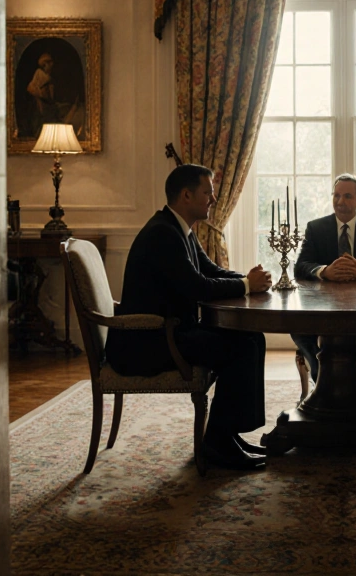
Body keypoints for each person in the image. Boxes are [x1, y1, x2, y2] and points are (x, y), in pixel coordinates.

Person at [106, 164, 275, 470]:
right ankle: (218, 444)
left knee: (251, 336)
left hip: (169, 334)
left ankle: (227, 434)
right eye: (208, 192)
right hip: (149, 343)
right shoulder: (162, 234)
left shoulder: (177, 228)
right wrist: (248, 285)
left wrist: (249, 281)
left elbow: (211, 271)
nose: (213, 200)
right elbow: (197, 287)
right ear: (186, 195)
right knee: (242, 347)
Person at [292, 174, 356, 384]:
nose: (340, 202)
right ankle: (322, 377)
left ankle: (355, 380)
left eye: (348, 196)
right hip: (322, 306)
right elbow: (300, 267)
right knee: (297, 327)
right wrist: (324, 271)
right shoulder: (316, 228)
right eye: (336, 195)